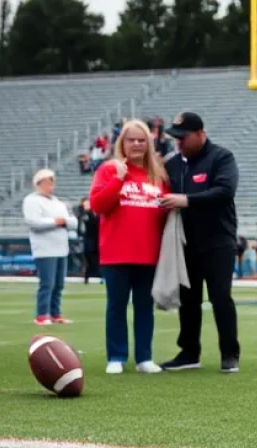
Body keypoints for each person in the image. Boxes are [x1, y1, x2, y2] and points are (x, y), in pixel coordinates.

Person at [159, 111, 241, 373]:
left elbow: (225, 191)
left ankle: (229, 353)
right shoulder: (172, 165)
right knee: (188, 298)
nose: (179, 142)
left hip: (218, 240)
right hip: (185, 241)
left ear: (201, 134)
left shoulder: (221, 157)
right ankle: (189, 352)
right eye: (175, 138)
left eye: (184, 137)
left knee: (220, 297)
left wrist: (187, 200)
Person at [89, 118, 169, 375]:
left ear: (149, 143)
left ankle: (144, 357)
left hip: (149, 254)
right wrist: (118, 180)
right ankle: (116, 356)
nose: (136, 144)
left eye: (141, 140)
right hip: (116, 254)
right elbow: (97, 206)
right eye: (131, 139)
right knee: (116, 306)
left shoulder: (158, 175)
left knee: (145, 307)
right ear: (121, 143)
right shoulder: (109, 169)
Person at [23, 169, 77, 327]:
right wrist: (57, 222)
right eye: (48, 181)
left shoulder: (58, 202)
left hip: (61, 247)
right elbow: (33, 222)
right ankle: (41, 314)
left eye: (52, 181)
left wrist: (62, 221)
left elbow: (73, 222)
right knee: (47, 283)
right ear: (39, 183)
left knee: (59, 284)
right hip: (44, 248)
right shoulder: (32, 200)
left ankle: (55, 313)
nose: (51, 185)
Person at [77, 199, 100, 284]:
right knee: (89, 259)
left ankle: (96, 275)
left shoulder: (97, 213)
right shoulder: (84, 215)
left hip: (96, 239)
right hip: (89, 239)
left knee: (95, 258)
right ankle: (87, 276)